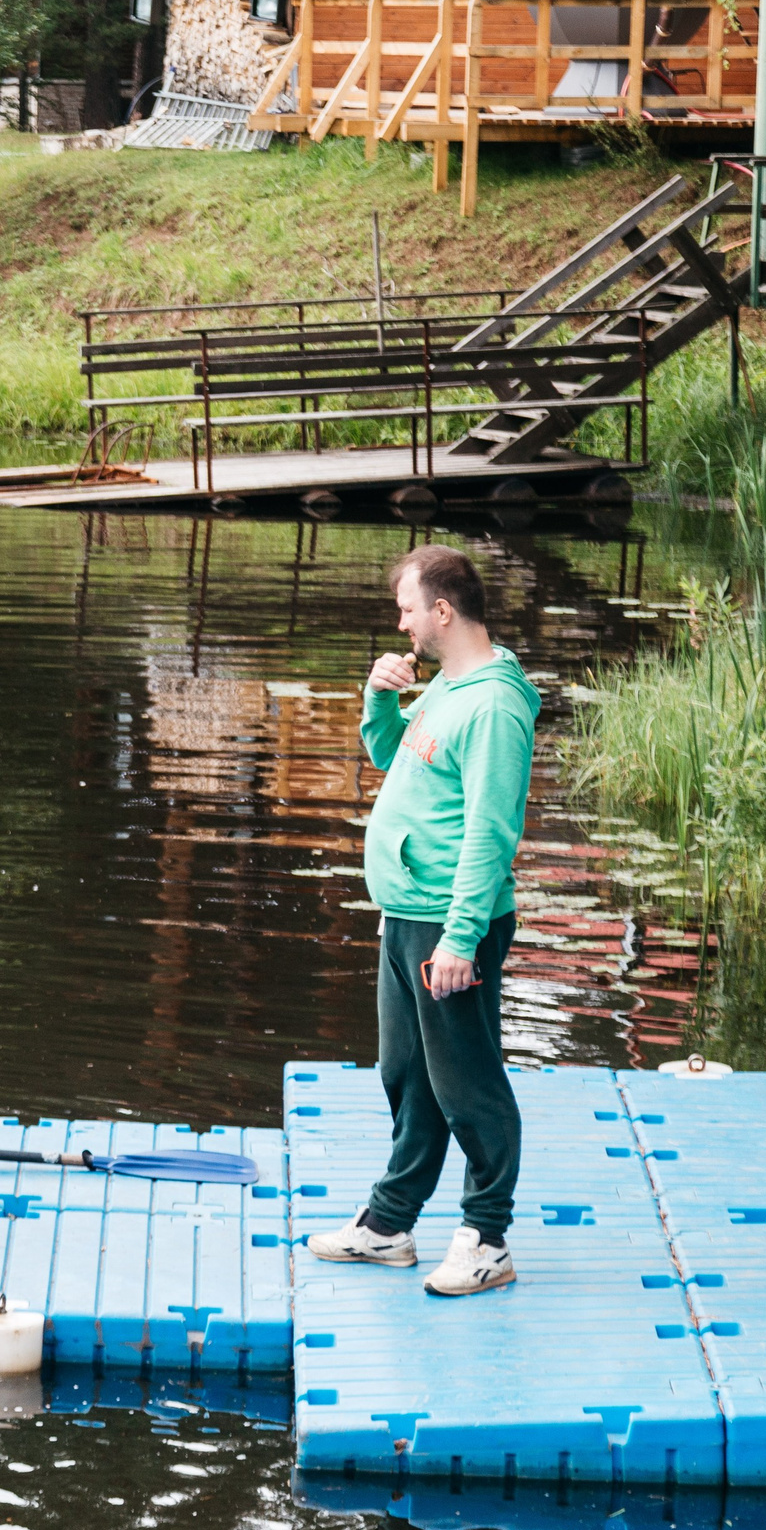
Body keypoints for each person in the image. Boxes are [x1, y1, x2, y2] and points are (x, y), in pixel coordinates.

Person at [310, 545, 538, 1298]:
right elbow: (391, 756)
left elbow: (490, 832)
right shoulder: (447, 685)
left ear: (443, 610)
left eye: (408, 609)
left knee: (468, 1084)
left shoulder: (494, 706)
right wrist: (379, 697)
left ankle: (488, 1237)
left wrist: (460, 937)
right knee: (407, 1076)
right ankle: (390, 1223)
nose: (402, 623)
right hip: (408, 915)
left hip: (449, 925)